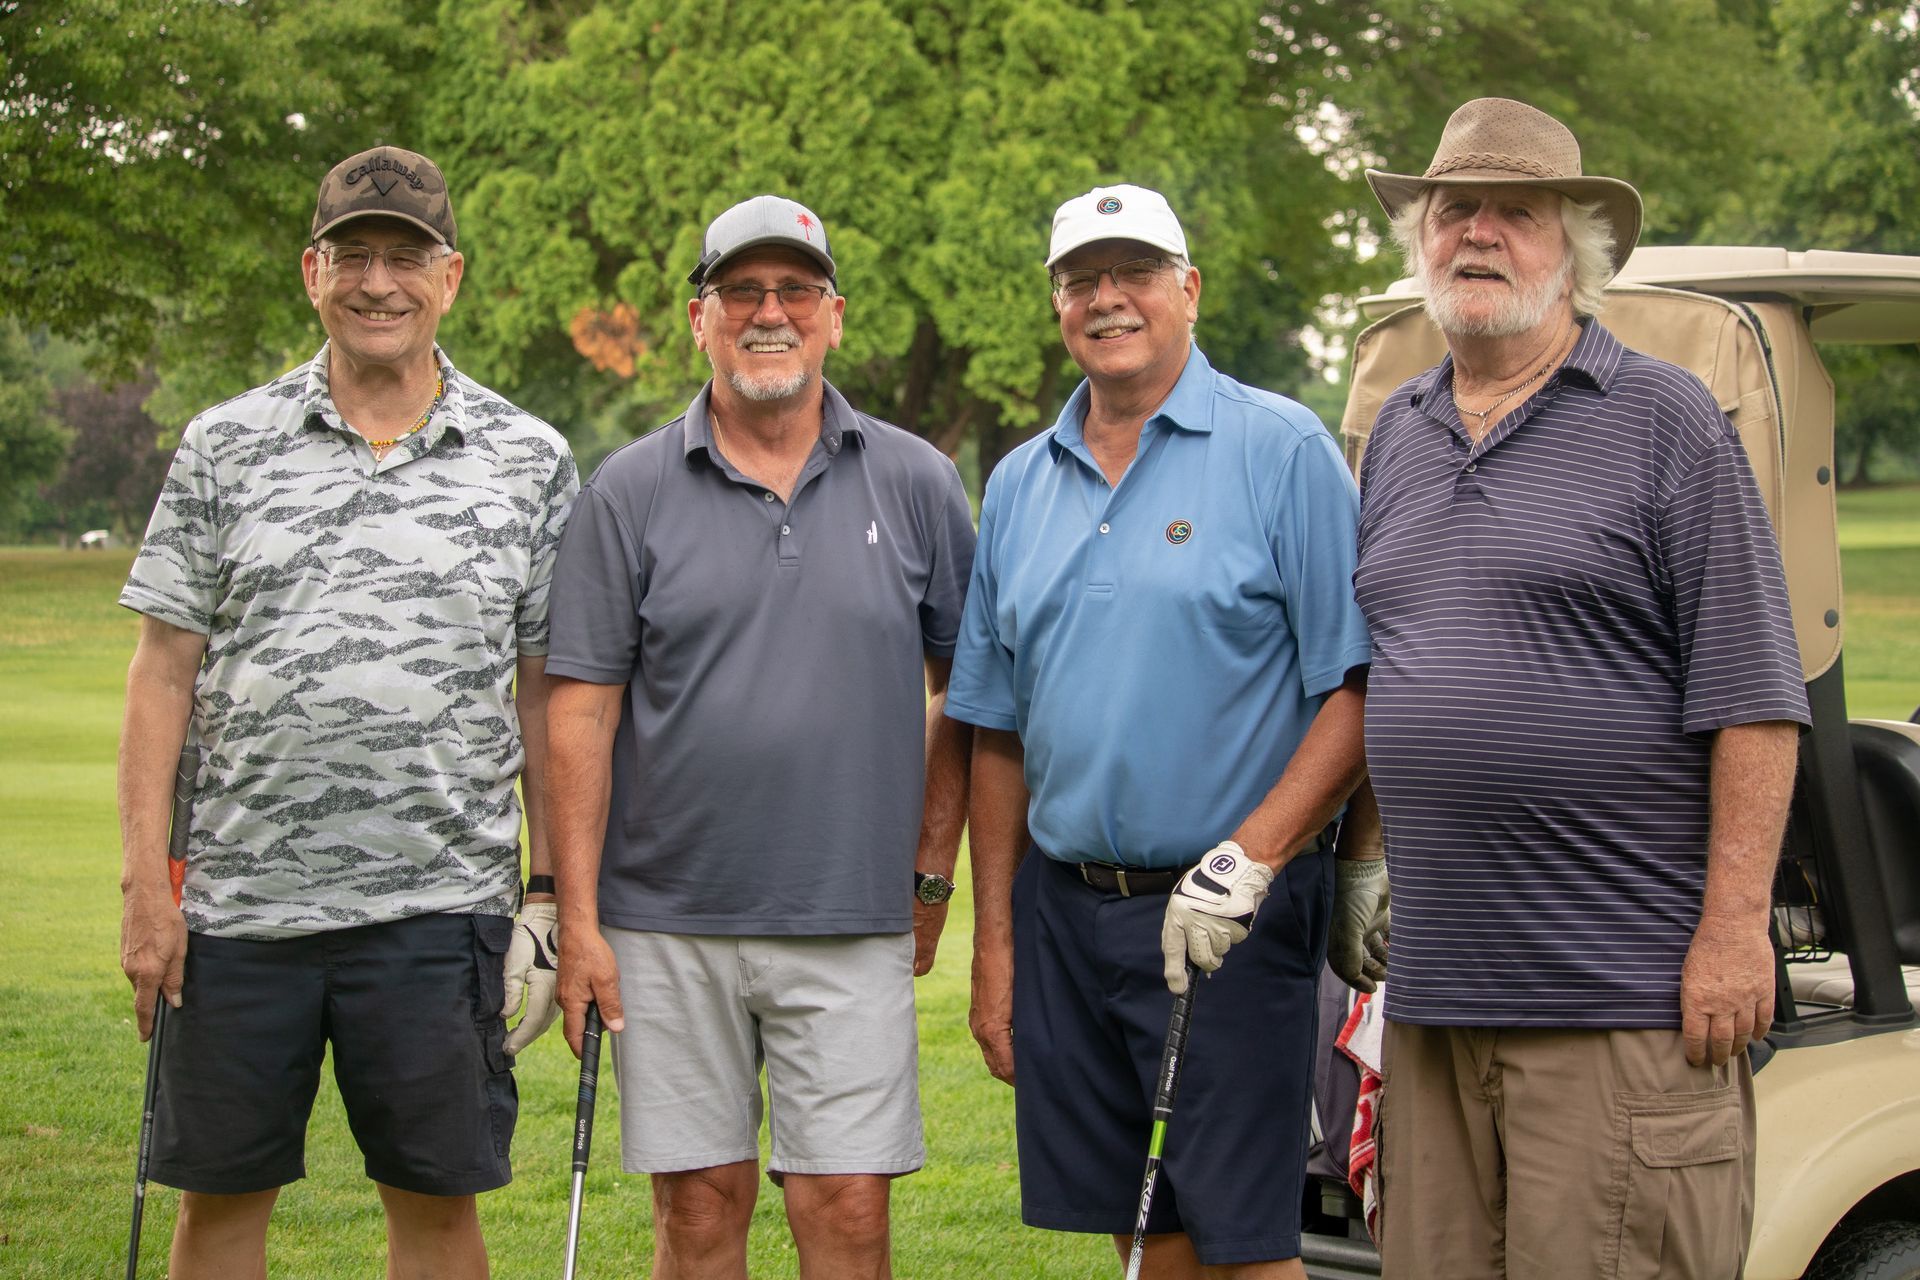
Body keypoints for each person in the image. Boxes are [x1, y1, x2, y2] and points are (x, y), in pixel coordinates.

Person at [1352, 98, 1811, 1279]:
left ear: (1576, 250)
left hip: (1621, 1002)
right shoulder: (1398, 431)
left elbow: (1756, 698)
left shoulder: (1666, 420)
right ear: (1421, 239)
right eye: (1455, 208)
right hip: (1436, 1006)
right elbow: (1392, 675)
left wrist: (1734, 930)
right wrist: (1359, 858)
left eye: (1516, 210)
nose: (1479, 232)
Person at [116, 144, 577, 1280]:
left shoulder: (528, 458)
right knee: (219, 1207)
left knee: (437, 1212)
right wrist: (145, 890)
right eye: (353, 255)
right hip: (237, 910)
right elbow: (162, 673)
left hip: (440, 911)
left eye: (406, 258)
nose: (380, 283)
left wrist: (551, 893)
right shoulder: (225, 445)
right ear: (311, 271)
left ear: (450, 277)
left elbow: (546, 695)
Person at [945, 184, 1376, 1279]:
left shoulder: (1281, 449)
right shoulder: (1018, 483)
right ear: (1057, 305)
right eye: (1081, 279)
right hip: (1065, 911)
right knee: (1141, 1231)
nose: (1108, 297)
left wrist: (1253, 858)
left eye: (1135, 272)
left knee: (1246, 1244)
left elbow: (1357, 687)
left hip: (1227, 912)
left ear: (1188, 289)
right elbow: (995, 729)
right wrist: (996, 945)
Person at [544, 194, 976, 1280]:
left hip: (849, 912)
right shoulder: (628, 490)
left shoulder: (918, 481)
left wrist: (931, 875)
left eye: (795, 290)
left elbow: (964, 695)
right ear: (700, 318)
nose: (769, 312)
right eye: (741, 291)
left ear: (835, 315)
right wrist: (578, 921)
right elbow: (580, 712)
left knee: (847, 1210)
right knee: (697, 1211)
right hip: (664, 919)